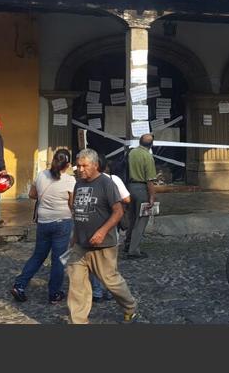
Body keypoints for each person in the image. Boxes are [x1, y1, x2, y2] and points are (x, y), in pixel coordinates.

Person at [66, 148, 138, 324]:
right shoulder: (79, 184)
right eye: (78, 166)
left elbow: (119, 211)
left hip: (103, 245)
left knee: (110, 281)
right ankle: (79, 321)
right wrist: (74, 237)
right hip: (81, 245)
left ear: (95, 165)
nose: (80, 169)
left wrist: (102, 231)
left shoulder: (106, 183)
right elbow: (78, 212)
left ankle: (130, 307)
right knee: (76, 285)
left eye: (84, 166)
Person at [11, 149, 77, 304]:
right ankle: (54, 293)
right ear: (68, 164)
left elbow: (32, 195)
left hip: (43, 222)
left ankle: (20, 285)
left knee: (38, 256)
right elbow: (71, 203)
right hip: (62, 222)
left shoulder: (41, 175)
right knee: (58, 259)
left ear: (53, 160)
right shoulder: (70, 180)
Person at [91, 155, 132, 303]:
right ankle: (109, 291)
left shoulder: (86, 181)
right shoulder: (114, 180)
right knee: (109, 261)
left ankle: (96, 291)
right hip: (110, 224)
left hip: (91, 225)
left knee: (94, 259)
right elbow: (127, 199)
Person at [124, 133, 157, 260]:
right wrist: (152, 197)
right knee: (141, 220)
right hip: (142, 189)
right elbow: (150, 180)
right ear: (151, 144)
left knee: (132, 218)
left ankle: (128, 243)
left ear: (140, 142)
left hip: (130, 187)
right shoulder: (148, 157)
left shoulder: (132, 153)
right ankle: (133, 250)